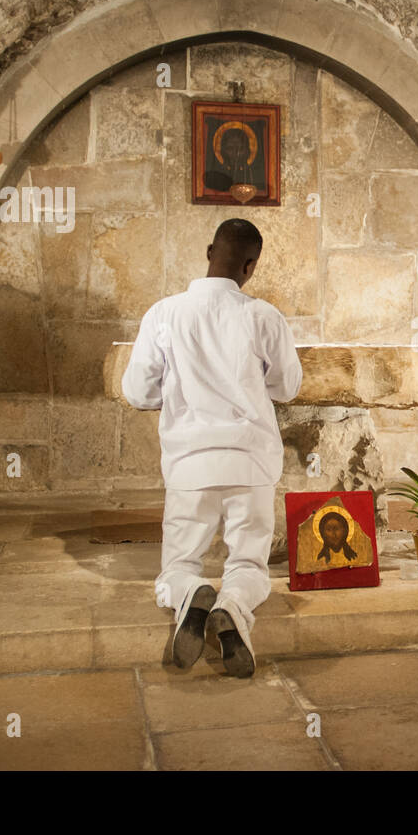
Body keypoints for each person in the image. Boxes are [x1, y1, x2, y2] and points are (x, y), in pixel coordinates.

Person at [122, 218, 302, 678]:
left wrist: (182, 396)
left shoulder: (164, 313)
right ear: (250, 266)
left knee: (176, 567)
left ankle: (190, 593)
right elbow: (286, 388)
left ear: (208, 252)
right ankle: (235, 604)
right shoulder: (263, 315)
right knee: (248, 563)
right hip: (250, 462)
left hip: (189, 464)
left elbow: (138, 392)